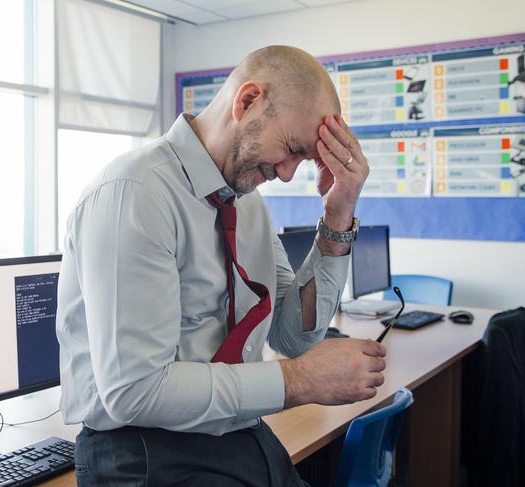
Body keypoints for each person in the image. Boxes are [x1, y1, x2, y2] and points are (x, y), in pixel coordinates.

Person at [56, 45, 386, 486]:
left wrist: (338, 215)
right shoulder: (134, 194)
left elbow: (292, 335)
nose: (288, 174)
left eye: (303, 160)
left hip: (235, 433)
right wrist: (299, 381)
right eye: (290, 149)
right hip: (144, 452)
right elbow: (133, 393)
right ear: (246, 101)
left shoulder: (247, 204)